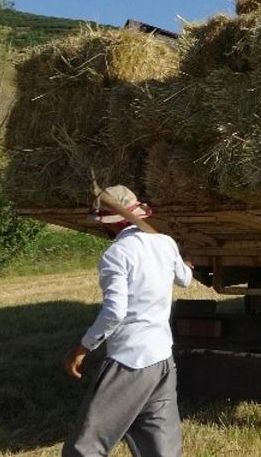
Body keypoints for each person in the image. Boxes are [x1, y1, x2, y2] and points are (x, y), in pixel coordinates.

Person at [62, 185, 194, 457]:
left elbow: (114, 312)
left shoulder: (116, 255)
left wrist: (82, 348)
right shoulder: (165, 243)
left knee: (85, 448)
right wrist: (187, 263)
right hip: (162, 361)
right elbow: (185, 279)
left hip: (130, 362)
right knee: (161, 449)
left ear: (109, 225)